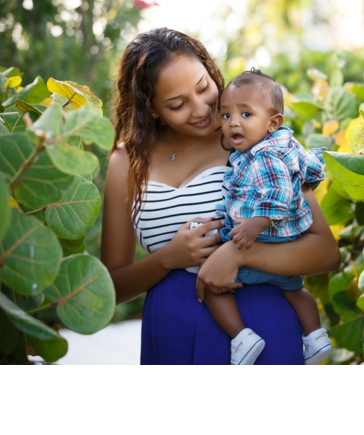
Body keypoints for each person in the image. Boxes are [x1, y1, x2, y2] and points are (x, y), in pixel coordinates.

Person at [102, 27, 341, 365]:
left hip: (261, 322)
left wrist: (239, 255)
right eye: (177, 104)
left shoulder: (251, 138)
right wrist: (167, 259)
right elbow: (111, 287)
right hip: (171, 330)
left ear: (211, 71)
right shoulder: (126, 162)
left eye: (203, 88)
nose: (201, 109)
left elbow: (325, 252)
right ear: (152, 109)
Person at [201, 69, 332, 365]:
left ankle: (242, 339)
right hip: (285, 252)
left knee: (209, 287)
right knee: (297, 291)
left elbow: (280, 193)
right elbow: (308, 169)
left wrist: (252, 227)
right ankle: (315, 337)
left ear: (273, 123)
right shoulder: (283, 147)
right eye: (225, 115)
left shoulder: (263, 156)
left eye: (246, 114)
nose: (233, 122)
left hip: (260, 241)